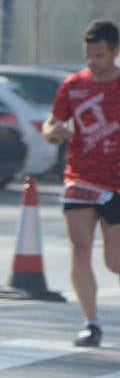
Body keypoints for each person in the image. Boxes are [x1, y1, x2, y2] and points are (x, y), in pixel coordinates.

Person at [42, 18, 120, 347]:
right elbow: (50, 125)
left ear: (115, 52)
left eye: (99, 56)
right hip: (80, 179)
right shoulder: (73, 85)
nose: (93, 62)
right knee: (79, 248)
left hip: (116, 184)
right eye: (89, 55)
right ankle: (91, 322)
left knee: (115, 263)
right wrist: (53, 133)